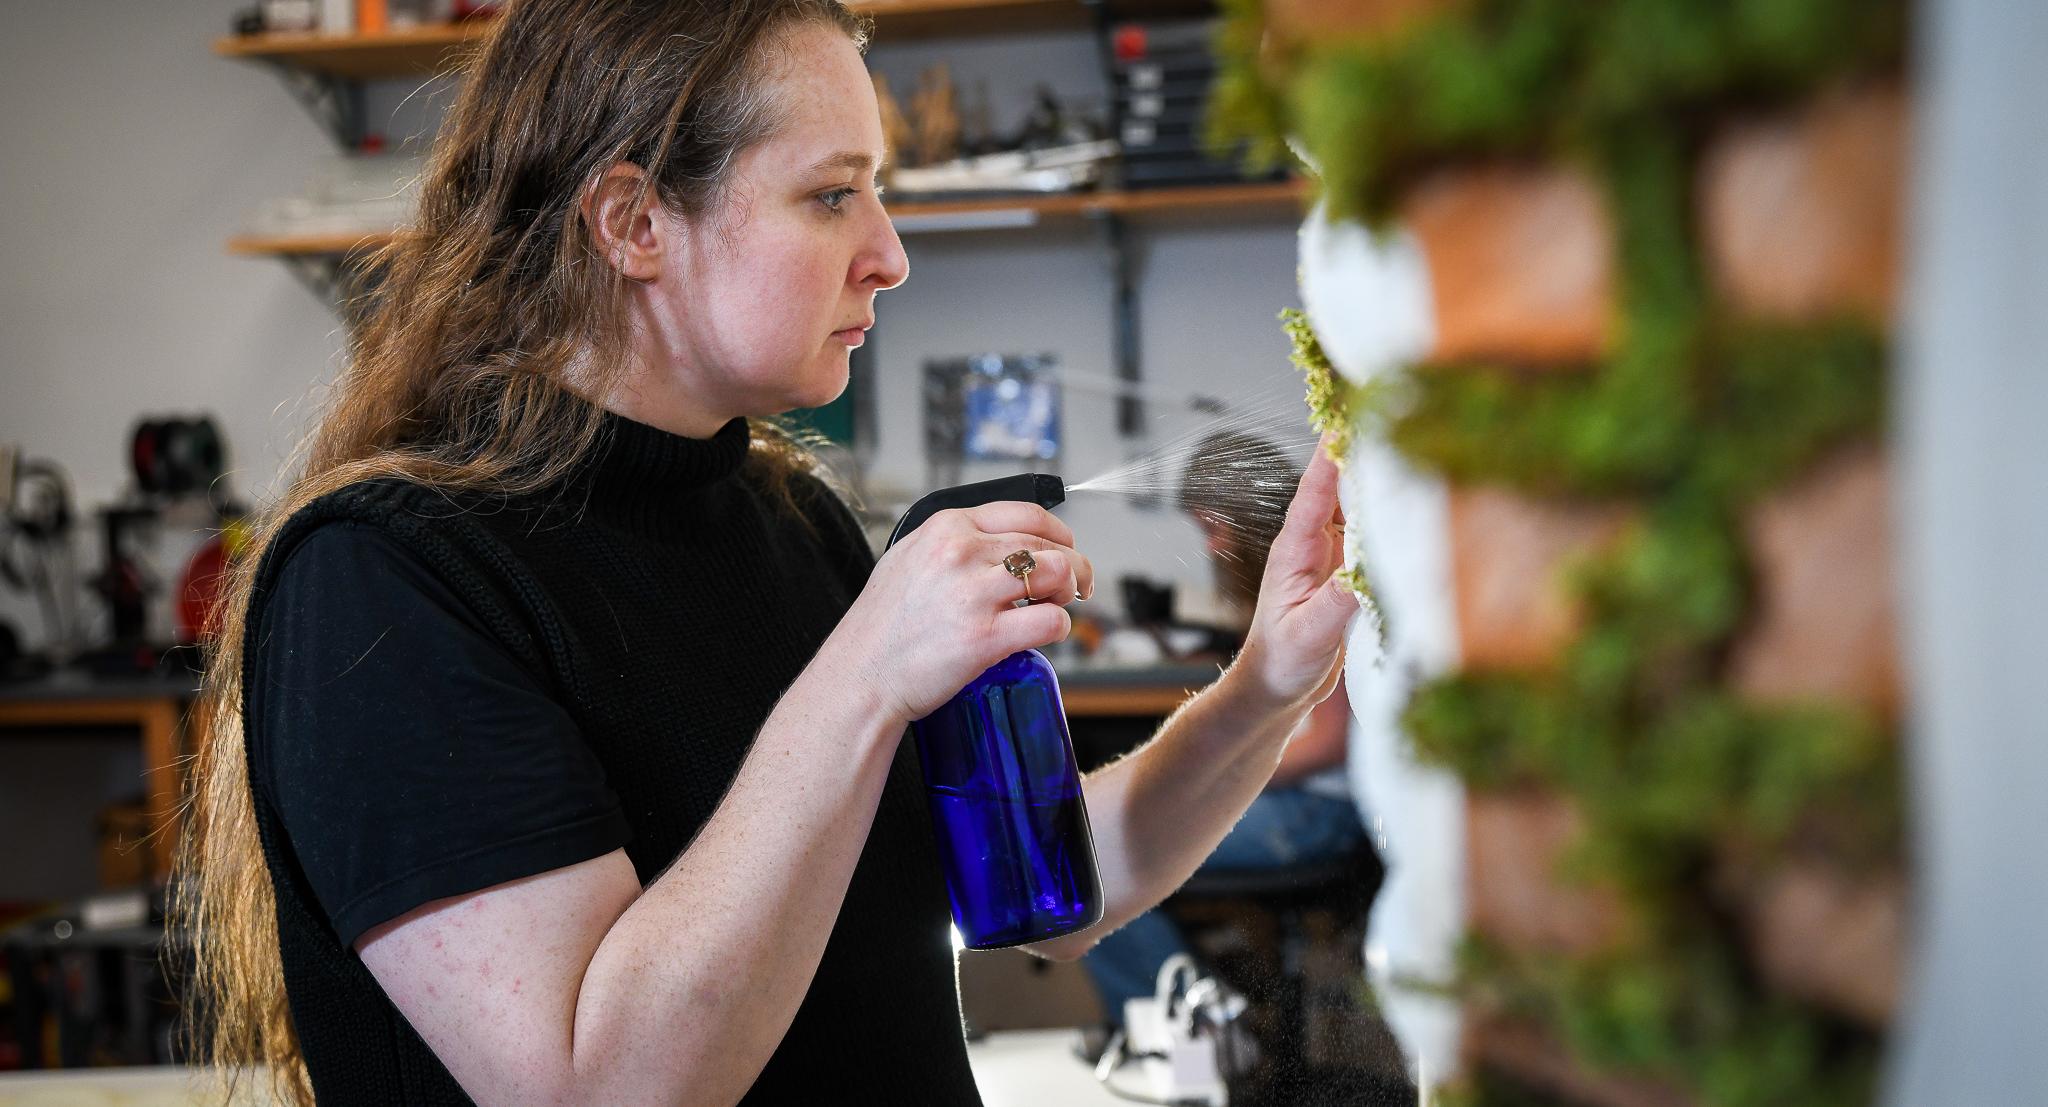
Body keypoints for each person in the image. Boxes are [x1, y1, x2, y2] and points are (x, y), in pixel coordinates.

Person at [176, 3, 1355, 1104]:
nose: (888, 254)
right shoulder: (386, 578)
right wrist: (868, 673)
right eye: (831, 195)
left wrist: (1265, 685)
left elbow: (1043, 889)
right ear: (634, 223)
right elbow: (601, 1084)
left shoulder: (787, 521)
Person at [1078, 432, 1369, 1041]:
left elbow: (1327, 743)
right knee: (1089, 859)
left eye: (1213, 527)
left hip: (1317, 814)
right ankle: (1196, 1029)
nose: (1209, 545)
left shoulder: (1323, 576)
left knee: (1089, 875)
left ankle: (1202, 1039)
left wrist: (1227, 772)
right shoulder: (1281, 582)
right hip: (1295, 801)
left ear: (1244, 513)